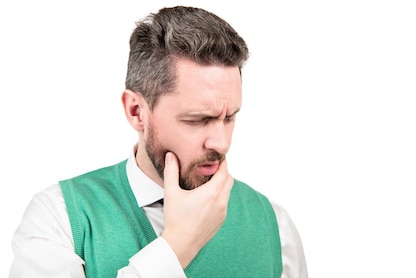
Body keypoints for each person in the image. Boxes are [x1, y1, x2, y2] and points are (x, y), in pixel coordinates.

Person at [10, 6, 308, 278]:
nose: (221, 142)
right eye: (198, 120)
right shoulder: (58, 217)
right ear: (136, 111)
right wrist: (177, 246)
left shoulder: (275, 226)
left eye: (229, 117)